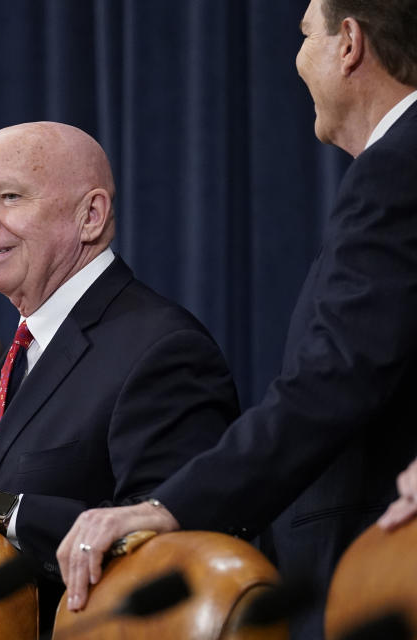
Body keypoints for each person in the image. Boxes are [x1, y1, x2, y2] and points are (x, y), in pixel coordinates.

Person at [57, 1, 417, 637]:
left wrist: (171, 506)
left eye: (306, 36)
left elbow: (333, 380)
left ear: (350, 44)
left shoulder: (395, 168)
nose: (296, 59)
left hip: (380, 568)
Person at [0, 121, 240, 629]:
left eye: (10, 196)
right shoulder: (27, 345)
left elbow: (170, 538)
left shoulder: (163, 350)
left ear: (90, 215)